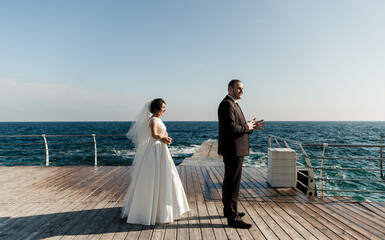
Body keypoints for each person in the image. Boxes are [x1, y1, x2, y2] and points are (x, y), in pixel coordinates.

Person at [121, 98, 190, 225]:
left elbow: (163, 131)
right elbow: (154, 135)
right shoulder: (152, 120)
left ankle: (165, 208)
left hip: (161, 149)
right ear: (157, 109)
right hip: (155, 149)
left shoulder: (159, 120)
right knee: (154, 176)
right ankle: (152, 211)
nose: (165, 109)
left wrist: (166, 136)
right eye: (163, 107)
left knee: (168, 176)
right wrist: (163, 138)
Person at [218, 79, 266, 229]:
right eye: (238, 88)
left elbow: (239, 126)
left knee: (230, 182)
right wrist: (247, 126)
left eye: (242, 89)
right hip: (233, 150)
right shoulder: (227, 104)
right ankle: (233, 218)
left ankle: (229, 211)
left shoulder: (234, 104)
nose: (241, 91)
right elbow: (232, 129)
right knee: (233, 184)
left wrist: (250, 127)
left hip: (235, 150)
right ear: (230, 89)